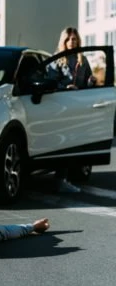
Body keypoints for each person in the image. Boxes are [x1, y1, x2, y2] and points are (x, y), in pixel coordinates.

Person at [48, 27, 96, 193]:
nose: (72, 42)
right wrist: (65, 86)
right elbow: (51, 81)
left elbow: (87, 81)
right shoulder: (57, 59)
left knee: (78, 142)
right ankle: (60, 179)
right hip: (62, 105)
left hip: (80, 105)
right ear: (64, 41)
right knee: (65, 141)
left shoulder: (82, 59)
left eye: (74, 39)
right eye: (69, 39)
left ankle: (71, 176)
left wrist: (91, 81)